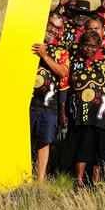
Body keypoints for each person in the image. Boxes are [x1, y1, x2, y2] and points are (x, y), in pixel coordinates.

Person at [66, 31, 105, 187]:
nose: (89, 49)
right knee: (82, 145)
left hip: (101, 112)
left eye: (93, 46)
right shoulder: (74, 61)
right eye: (86, 45)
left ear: (98, 47)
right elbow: (69, 87)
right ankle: (79, 180)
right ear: (81, 45)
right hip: (81, 111)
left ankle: (96, 181)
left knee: (99, 148)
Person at [31, 14, 70, 181]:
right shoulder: (32, 44)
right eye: (51, 25)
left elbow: (63, 72)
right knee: (26, 139)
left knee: (44, 141)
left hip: (49, 103)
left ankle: (40, 179)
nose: (53, 30)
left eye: (58, 28)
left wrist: (45, 56)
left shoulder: (61, 51)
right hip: (28, 102)